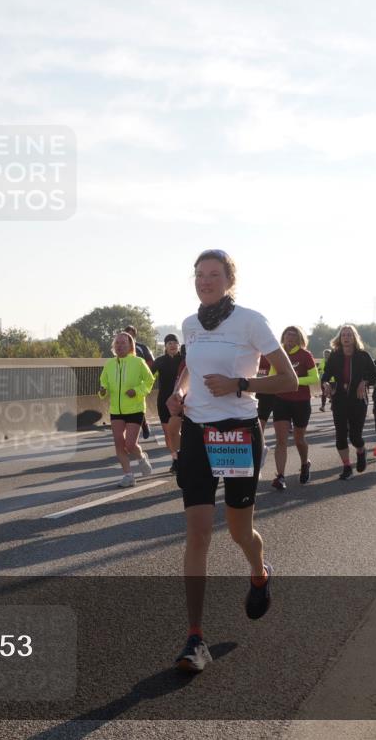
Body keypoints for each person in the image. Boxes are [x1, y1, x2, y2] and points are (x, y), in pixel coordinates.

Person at [165, 250, 297, 673]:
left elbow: (288, 379)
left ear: (229, 280)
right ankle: (195, 638)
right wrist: (179, 394)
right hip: (197, 433)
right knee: (198, 534)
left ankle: (259, 572)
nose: (204, 281)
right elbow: (189, 366)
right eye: (199, 275)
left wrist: (239, 383)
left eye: (213, 274)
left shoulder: (251, 321)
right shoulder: (190, 324)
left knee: (240, 531)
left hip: (238, 432)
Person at [99, 331, 156, 487]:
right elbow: (104, 383)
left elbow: (150, 381)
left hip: (135, 408)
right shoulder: (109, 364)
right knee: (119, 443)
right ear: (113, 346)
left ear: (131, 345)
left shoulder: (138, 362)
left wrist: (137, 391)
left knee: (130, 445)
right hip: (116, 410)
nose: (120, 346)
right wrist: (103, 391)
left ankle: (141, 458)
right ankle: (128, 475)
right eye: (117, 343)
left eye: (123, 343)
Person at [320, 325, 376, 481]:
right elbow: (326, 374)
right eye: (343, 335)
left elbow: (374, 375)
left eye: (349, 335)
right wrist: (325, 383)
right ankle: (346, 466)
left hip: (358, 399)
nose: (346, 337)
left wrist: (364, 381)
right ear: (339, 338)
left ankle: (361, 451)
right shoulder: (335, 355)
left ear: (354, 338)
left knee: (355, 436)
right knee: (340, 435)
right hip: (339, 399)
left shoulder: (363, 355)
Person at [269, 326, 320, 490]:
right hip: (281, 400)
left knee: (299, 439)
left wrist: (294, 380)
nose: (290, 338)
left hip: (301, 401)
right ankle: (280, 477)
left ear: (299, 338)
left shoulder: (305, 355)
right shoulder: (277, 354)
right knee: (281, 440)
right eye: (287, 335)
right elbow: (272, 376)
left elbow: (314, 378)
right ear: (283, 337)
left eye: (293, 335)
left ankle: (305, 463)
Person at [151, 334, 184, 473]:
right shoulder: (159, 361)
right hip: (163, 401)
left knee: (177, 430)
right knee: (168, 433)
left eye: (175, 343)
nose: (172, 345)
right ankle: (175, 459)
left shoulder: (184, 360)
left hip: (181, 400)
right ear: (165, 346)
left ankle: (182, 457)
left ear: (178, 345)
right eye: (169, 343)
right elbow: (147, 376)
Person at [124, 325, 155, 440]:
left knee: (138, 404)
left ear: (135, 335)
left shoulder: (142, 347)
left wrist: (145, 374)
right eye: (127, 334)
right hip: (125, 380)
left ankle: (144, 425)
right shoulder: (121, 348)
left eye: (131, 335)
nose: (129, 337)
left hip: (140, 381)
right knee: (128, 404)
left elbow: (151, 362)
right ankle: (130, 428)